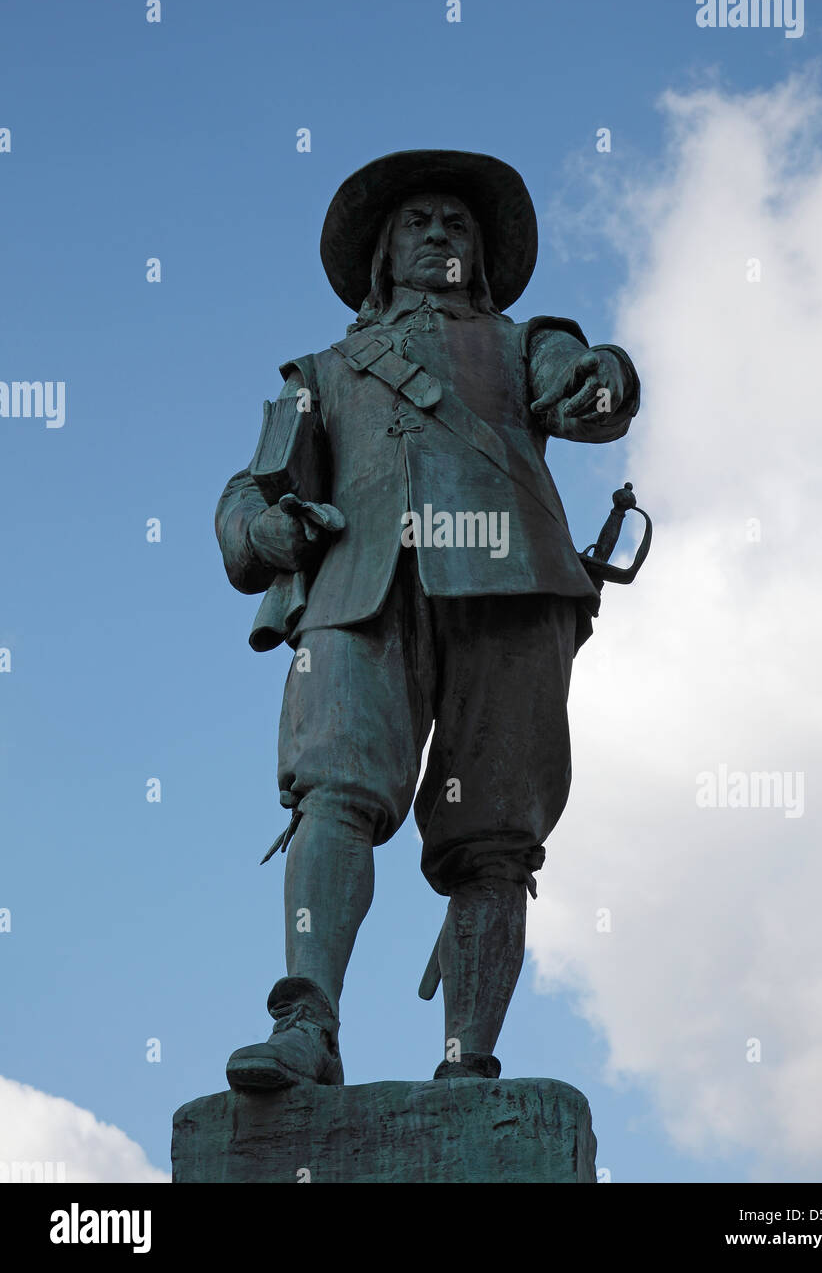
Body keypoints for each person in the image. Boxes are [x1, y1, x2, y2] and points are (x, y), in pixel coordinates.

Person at [215, 150, 640, 1087]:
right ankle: (306, 1026)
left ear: (480, 253)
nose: (441, 232)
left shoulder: (531, 342)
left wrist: (598, 379)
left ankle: (468, 1061)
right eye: (419, 221)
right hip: (363, 590)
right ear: (384, 255)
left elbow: (596, 390)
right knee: (333, 791)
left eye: (458, 222)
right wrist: (267, 528)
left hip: (514, 586)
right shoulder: (320, 372)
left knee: (493, 834)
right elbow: (249, 492)